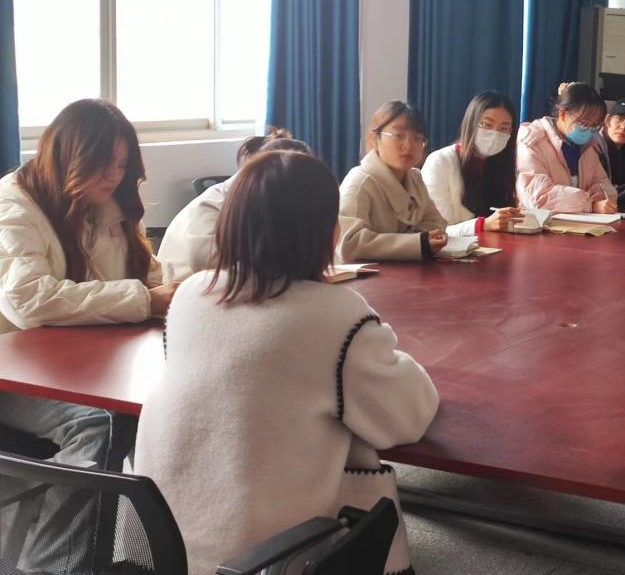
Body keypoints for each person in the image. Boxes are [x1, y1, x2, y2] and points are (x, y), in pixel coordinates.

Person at [133, 150, 439, 575]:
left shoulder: (192, 293)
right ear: (326, 231)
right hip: (265, 558)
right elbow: (408, 417)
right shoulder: (336, 315)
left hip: (156, 546)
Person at [0, 99, 176, 574]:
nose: (114, 175)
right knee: (99, 424)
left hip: (65, 364)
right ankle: (50, 567)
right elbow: (28, 301)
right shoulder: (13, 204)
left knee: (166, 406)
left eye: (122, 164)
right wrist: (145, 300)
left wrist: (174, 293)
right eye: (104, 163)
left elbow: (146, 278)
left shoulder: (105, 204)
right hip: (10, 373)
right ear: (69, 155)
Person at [158, 127, 311, 281]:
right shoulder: (211, 204)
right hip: (187, 285)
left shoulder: (280, 200)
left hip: (249, 284)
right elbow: (209, 268)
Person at [339, 100, 449, 261]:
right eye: (399, 136)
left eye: (417, 138)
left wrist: (419, 242)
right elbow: (349, 244)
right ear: (374, 139)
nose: (408, 145)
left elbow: (436, 224)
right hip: (366, 275)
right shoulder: (360, 181)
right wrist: (416, 243)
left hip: (407, 269)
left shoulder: (414, 177)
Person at [420, 91, 523, 235]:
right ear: (471, 123)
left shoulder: (502, 165)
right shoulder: (439, 162)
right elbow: (436, 231)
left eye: (504, 128)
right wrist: (482, 225)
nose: (495, 134)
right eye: (486, 124)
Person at [516, 82, 617, 213]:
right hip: (539, 222)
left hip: (581, 221)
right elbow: (539, 197)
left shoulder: (589, 146)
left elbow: (604, 186)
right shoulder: (532, 141)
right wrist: (590, 204)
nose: (589, 131)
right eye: (584, 124)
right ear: (563, 114)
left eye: (594, 126)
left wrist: (601, 200)